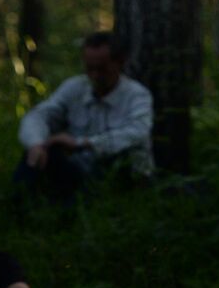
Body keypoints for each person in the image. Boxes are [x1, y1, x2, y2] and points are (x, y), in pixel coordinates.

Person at [15, 32, 153, 199]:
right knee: (38, 154)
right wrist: (36, 144)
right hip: (79, 173)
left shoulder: (137, 96)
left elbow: (137, 133)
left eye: (102, 69)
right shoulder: (75, 87)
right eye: (89, 68)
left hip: (120, 177)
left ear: (120, 62)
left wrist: (82, 144)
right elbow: (39, 115)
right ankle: (19, 205)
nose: (94, 75)